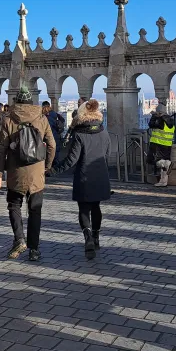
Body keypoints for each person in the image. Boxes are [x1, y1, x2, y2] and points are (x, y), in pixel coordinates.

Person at [0, 86, 56, 262]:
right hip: (37, 172)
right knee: (35, 211)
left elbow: (1, 150)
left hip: (15, 171)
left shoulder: (8, 119)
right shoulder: (42, 118)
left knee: (14, 206)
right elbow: (52, 145)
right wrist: (47, 166)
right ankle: (34, 249)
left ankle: (19, 239)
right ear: (31, 102)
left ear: (16, 102)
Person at [49, 100, 110, 259]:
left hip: (84, 175)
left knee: (84, 208)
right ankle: (96, 237)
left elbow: (71, 160)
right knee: (96, 207)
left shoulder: (79, 134)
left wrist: (55, 170)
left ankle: (88, 237)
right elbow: (107, 153)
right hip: (100, 175)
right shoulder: (104, 131)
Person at [147, 103, 175, 187]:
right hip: (167, 144)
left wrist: (154, 116)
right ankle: (163, 181)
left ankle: (168, 164)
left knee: (152, 160)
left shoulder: (160, 120)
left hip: (157, 143)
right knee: (164, 162)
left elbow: (151, 125)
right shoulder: (170, 120)